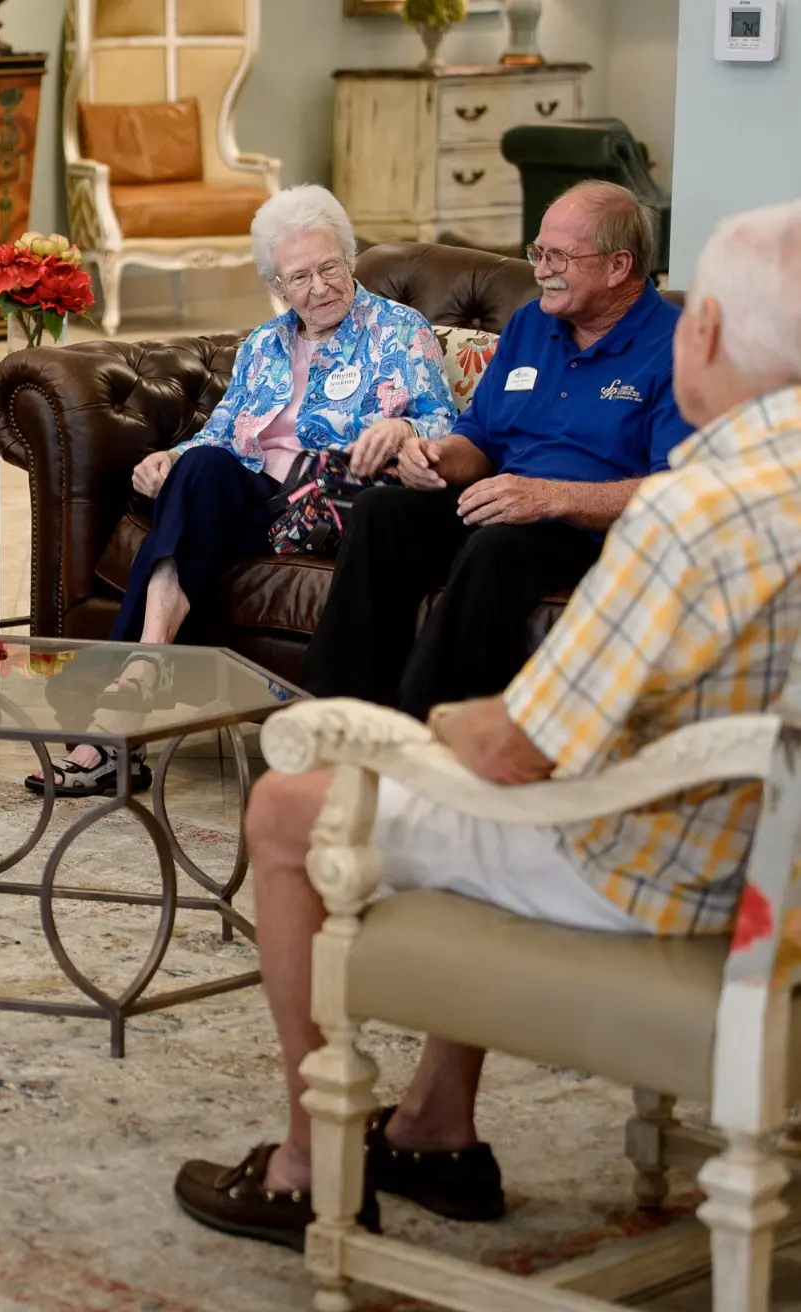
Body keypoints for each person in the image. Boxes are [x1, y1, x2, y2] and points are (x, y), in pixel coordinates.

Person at [173, 198, 801, 1250]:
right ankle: (432, 1126)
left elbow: (517, 756)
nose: (541, 267)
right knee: (401, 533)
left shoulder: (690, 510)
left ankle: (303, 1163)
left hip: (657, 866)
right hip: (758, 845)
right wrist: (442, 460)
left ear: (705, 333)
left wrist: (412, 752)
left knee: (291, 810)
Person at [29, 185, 455, 798]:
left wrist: (402, 427)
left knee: (207, 490)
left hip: (336, 501)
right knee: (200, 468)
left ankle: (108, 729)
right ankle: (144, 669)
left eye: (329, 267)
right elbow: (224, 433)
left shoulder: (398, 329)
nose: (319, 287)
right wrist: (166, 460)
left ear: (350, 259)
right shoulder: (264, 345)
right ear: (278, 287)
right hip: (261, 502)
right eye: (299, 277)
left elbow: (446, 424)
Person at [299, 180, 692, 718]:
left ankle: (429, 737)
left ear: (619, 266)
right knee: (380, 512)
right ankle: (331, 717)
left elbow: (679, 490)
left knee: (495, 548)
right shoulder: (532, 323)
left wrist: (551, 498)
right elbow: (480, 438)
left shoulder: (678, 345)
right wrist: (437, 456)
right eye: (537, 251)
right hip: (507, 502)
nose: (539, 268)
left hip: (593, 529)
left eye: (558, 256)